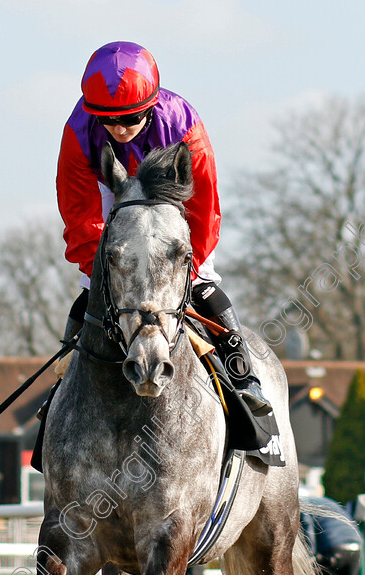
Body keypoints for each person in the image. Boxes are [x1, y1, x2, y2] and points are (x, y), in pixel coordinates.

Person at [56, 40, 271, 416]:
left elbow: (204, 207)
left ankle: (244, 374)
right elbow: (78, 211)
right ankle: (61, 386)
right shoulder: (78, 133)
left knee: (203, 279)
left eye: (129, 119)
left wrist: (189, 265)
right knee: (92, 285)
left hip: (171, 190)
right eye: (108, 120)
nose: (119, 129)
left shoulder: (185, 128)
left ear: (150, 108)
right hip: (110, 183)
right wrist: (103, 269)